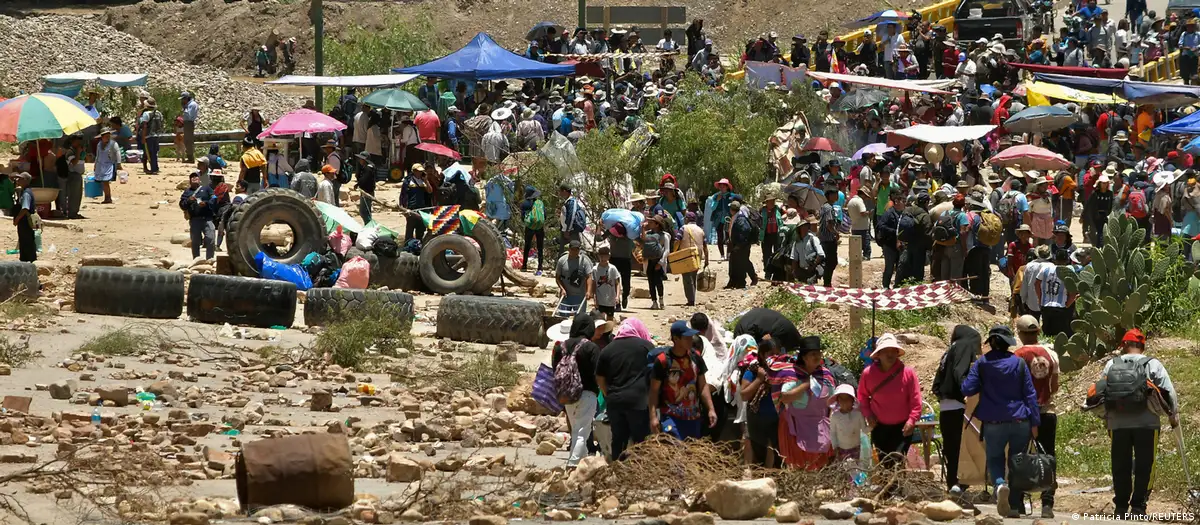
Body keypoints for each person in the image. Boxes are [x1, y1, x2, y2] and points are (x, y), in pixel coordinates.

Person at [1089, 328, 1177, 518]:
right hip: (1147, 423)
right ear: (1142, 346)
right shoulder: (1153, 364)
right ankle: (1138, 507)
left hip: (1118, 424)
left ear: (1124, 346)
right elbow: (1169, 393)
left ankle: (1120, 507)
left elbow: (1102, 392)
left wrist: (1106, 419)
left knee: (1120, 464)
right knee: (1146, 464)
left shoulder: (1112, 364)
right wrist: (1173, 416)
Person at [960, 325, 1040, 518]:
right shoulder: (1019, 363)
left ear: (992, 342)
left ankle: (999, 485)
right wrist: (1035, 422)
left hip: (994, 421)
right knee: (1017, 462)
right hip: (1020, 419)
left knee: (995, 458)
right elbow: (1030, 394)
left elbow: (967, 389)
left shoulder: (983, 364)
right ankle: (1014, 506)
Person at [1012, 315, 1060, 518]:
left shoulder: (1017, 356)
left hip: (1023, 414)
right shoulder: (1051, 354)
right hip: (1047, 412)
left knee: (1019, 457)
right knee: (1048, 456)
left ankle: (1020, 502)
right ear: (1038, 332)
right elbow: (1055, 386)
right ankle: (1047, 504)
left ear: (1020, 333)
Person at [857, 333, 922, 474]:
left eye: (893, 350)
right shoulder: (868, 374)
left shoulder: (908, 373)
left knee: (897, 459)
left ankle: (896, 492)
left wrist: (912, 420)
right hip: (879, 426)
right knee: (885, 461)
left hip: (902, 427)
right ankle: (889, 493)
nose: (890, 354)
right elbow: (862, 397)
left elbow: (916, 401)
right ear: (878, 354)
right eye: (886, 351)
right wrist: (868, 414)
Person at [770, 336, 836, 469]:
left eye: (818, 353)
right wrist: (806, 384)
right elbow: (785, 397)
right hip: (796, 427)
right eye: (813, 354)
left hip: (819, 427)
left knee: (819, 466)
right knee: (800, 466)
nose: (817, 357)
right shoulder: (792, 374)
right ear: (804, 358)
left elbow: (834, 400)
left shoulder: (826, 375)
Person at [596, 318, 655, 460]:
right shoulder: (647, 347)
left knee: (618, 440)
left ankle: (618, 473)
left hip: (615, 402)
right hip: (639, 402)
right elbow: (656, 375)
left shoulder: (608, 349)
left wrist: (608, 393)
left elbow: (600, 377)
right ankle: (638, 475)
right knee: (640, 442)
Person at [932, 325, 981, 494]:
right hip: (959, 407)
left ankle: (953, 483)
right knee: (962, 447)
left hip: (945, 407)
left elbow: (936, 385)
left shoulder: (949, 351)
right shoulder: (965, 346)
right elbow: (959, 372)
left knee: (951, 448)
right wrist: (966, 392)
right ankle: (960, 482)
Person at [650, 321, 717, 440]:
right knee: (675, 452)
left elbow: (702, 386)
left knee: (691, 453)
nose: (691, 340)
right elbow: (654, 391)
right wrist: (653, 417)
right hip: (671, 417)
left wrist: (711, 409)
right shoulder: (662, 361)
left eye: (691, 337)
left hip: (693, 418)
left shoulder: (696, 357)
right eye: (687, 338)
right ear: (676, 339)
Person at [552, 312, 602, 468]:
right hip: (587, 394)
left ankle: (584, 465)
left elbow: (555, 368)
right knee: (582, 432)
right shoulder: (591, 347)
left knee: (575, 430)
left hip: (567, 395)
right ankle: (572, 465)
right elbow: (598, 372)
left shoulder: (561, 346)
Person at [738, 336, 779, 467]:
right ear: (762, 354)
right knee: (753, 445)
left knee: (772, 448)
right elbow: (744, 395)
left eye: (777, 354)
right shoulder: (753, 371)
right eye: (771, 354)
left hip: (775, 418)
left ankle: (768, 477)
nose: (774, 357)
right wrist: (759, 380)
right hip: (756, 418)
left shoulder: (783, 371)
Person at [180, 171, 216, 260]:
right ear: (189, 180)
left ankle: (209, 259)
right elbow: (182, 205)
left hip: (207, 218)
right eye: (192, 177)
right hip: (194, 219)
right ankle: (196, 259)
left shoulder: (206, 188)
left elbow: (214, 199)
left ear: (200, 179)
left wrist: (206, 203)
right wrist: (189, 200)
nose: (194, 178)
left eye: (196, 177)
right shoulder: (187, 192)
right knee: (195, 241)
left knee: (210, 238)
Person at [677, 211, 709, 306]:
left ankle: (691, 300)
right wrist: (707, 259)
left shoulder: (683, 228)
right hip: (697, 256)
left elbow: (677, 241)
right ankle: (692, 298)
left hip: (686, 256)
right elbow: (705, 246)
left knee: (687, 278)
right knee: (693, 277)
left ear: (687, 219)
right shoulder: (700, 230)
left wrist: (674, 252)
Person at [829, 383, 866, 462]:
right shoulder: (835, 416)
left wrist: (872, 425)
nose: (844, 402)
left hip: (856, 448)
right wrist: (834, 447)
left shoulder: (858, 414)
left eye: (847, 399)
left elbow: (865, 429)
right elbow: (833, 432)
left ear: (852, 400)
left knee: (856, 468)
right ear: (837, 401)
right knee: (844, 469)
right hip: (841, 449)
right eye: (841, 399)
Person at [726, 201, 760, 289]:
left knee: (743, 262)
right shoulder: (735, 217)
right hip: (738, 245)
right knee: (738, 262)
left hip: (742, 245)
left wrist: (740, 244)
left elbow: (745, 230)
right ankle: (735, 282)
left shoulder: (740, 219)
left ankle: (746, 280)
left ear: (732, 209)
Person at [875, 193, 905, 288]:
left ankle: (898, 286)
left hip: (900, 245)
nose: (904, 204)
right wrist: (895, 231)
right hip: (889, 245)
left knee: (900, 268)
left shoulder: (904, 213)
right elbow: (881, 226)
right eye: (902, 201)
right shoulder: (889, 213)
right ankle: (885, 286)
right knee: (889, 268)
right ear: (896, 201)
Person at [557, 240, 594, 309]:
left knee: (580, 317)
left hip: (580, 295)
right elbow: (558, 277)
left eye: (576, 250)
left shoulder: (585, 261)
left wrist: (589, 291)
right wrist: (562, 289)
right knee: (563, 315)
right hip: (566, 294)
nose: (574, 252)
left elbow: (589, 276)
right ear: (569, 249)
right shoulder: (562, 260)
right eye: (572, 249)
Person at [642, 215, 669, 310]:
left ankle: (661, 300)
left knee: (658, 282)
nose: (649, 224)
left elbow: (667, 250)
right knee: (651, 282)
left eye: (652, 222)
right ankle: (654, 302)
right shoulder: (648, 234)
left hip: (658, 262)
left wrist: (661, 262)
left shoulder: (664, 236)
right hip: (650, 261)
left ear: (657, 225)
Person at [11, 173, 37, 263]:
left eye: (20, 179)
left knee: (26, 240)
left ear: (26, 180)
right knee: (24, 239)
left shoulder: (26, 193)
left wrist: (17, 218)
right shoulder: (24, 191)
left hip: (25, 221)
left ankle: (28, 260)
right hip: (25, 221)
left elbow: (25, 208)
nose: (18, 180)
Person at [789, 216, 825, 284]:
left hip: (812, 271)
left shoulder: (813, 239)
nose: (804, 228)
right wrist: (794, 271)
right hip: (801, 270)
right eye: (802, 227)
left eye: (806, 226)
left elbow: (821, 254)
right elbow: (794, 258)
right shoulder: (797, 242)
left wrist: (812, 266)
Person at [520, 186, 546, 275]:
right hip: (540, 227)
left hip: (529, 227)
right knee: (540, 247)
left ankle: (524, 266)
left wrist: (529, 223)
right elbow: (544, 215)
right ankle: (540, 267)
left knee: (527, 246)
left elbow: (522, 217)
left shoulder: (524, 204)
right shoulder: (540, 203)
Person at [591, 246, 622, 320]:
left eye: (605, 256)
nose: (603, 258)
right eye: (601, 256)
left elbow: (617, 283)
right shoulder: (595, 269)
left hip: (610, 299)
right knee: (599, 319)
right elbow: (594, 284)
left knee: (610, 318)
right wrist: (595, 298)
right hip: (600, 299)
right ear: (598, 256)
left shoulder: (613, 268)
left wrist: (617, 296)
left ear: (608, 256)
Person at [818, 189, 840, 287]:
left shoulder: (825, 206)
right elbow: (829, 224)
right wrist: (836, 233)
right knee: (831, 262)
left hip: (825, 239)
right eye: (834, 194)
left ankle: (827, 281)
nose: (836, 196)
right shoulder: (828, 208)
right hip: (828, 239)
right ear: (829, 195)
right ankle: (827, 283)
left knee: (830, 261)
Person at [60, 135, 86, 219]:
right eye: (77, 140)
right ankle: (72, 213)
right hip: (73, 175)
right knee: (73, 195)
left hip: (78, 175)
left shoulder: (76, 151)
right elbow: (73, 163)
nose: (79, 142)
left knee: (78, 195)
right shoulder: (70, 152)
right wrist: (78, 153)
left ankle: (74, 212)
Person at [94, 128, 121, 205]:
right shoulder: (99, 144)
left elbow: (117, 153)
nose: (107, 137)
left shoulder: (113, 144)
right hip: (100, 165)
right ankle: (107, 196)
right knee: (102, 182)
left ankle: (108, 198)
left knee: (105, 181)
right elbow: (98, 155)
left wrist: (119, 163)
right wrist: (95, 164)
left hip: (109, 165)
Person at [760, 195, 783, 277]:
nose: (772, 202)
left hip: (776, 235)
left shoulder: (779, 210)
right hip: (766, 235)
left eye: (773, 201)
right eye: (770, 201)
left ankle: (777, 272)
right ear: (766, 202)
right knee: (766, 254)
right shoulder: (762, 210)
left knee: (777, 253)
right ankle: (767, 272)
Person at [140, 98, 163, 175]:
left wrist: (143, 137)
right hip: (156, 135)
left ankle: (153, 169)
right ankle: (155, 168)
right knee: (155, 152)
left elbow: (144, 126)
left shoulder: (146, 114)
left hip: (148, 136)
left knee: (149, 153)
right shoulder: (159, 113)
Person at [354, 152, 375, 223]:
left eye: (361, 159)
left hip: (367, 192)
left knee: (363, 212)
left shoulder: (368, 169)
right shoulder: (367, 167)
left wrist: (358, 184)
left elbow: (364, 180)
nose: (360, 160)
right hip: (367, 191)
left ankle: (369, 226)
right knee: (367, 212)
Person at [181, 91, 199, 163]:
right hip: (186, 123)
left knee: (189, 140)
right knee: (186, 140)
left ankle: (190, 157)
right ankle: (189, 156)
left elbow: (189, 115)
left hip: (189, 122)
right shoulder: (189, 104)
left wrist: (184, 108)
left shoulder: (192, 105)